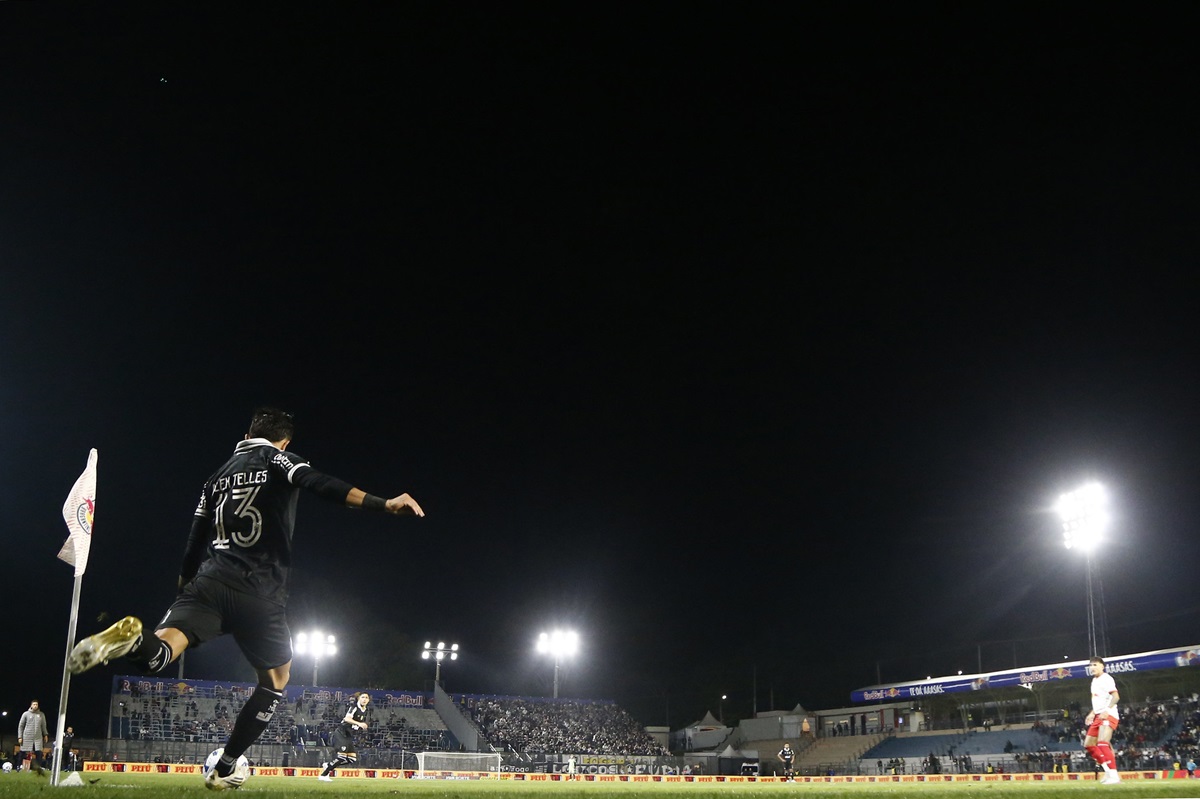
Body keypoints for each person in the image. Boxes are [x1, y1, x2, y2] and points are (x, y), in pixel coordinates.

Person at [66, 407, 424, 791]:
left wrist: (185, 588)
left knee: (162, 653)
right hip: (259, 589)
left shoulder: (215, 477)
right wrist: (383, 503)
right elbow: (320, 483)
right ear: (284, 440)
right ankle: (226, 765)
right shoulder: (280, 459)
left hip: (208, 581)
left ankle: (136, 640)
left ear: (249, 432)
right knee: (276, 678)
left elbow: (194, 540)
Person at [1083, 656, 1121, 785]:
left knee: (1103, 743)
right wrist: (1092, 713)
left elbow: (1115, 697)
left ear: (1102, 666)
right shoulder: (1094, 681)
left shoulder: (1107, 679)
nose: (1092, 667)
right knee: (1088, 744)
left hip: (1108, 714)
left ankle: (1115, 777)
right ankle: (1107, 772)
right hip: (1099, 715)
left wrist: (1107, 710)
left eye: (1095, 665)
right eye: (1091, 665)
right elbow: (1100, 700)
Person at [318, 692, 370, 781]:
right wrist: (359, 724)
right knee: (341, 756)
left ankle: (329, 765)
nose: (364, 699)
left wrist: (360, 726)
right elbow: (347, 719)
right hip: (341, 733)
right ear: (358, 699)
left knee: (352, 758)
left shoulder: (365, 710)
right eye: (362, 697)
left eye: (366, 697)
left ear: (368, 700)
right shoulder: (354, 707)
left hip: (349, 735)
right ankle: (323, 775)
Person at [17, 700, 49, 773]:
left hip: (38, 738)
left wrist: (45, 735)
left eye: (36, 704)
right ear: (31, 705)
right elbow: (21, 726)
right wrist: (20, 737)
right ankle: (18, 767)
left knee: (39, 753)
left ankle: (38, 768)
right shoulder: (25, 714)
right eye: (34, 704)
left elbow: (44, 726)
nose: (35, 706)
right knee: (22, 752)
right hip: (27, 737)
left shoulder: (41, 715)